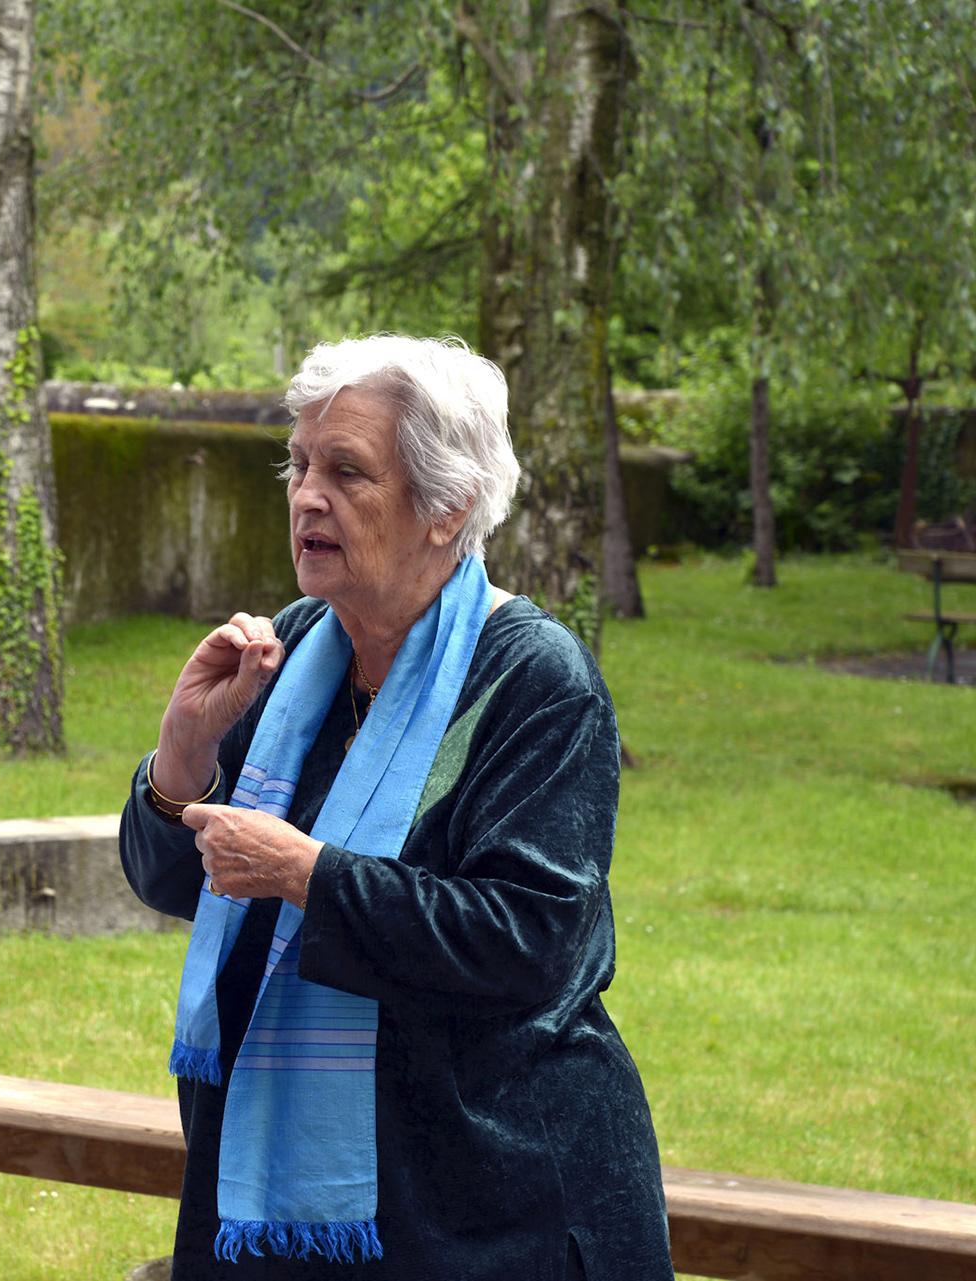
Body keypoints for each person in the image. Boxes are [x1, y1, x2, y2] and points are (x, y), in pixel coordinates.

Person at [121, 335, 671, 1280]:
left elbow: (528, 940)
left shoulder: (535, 679)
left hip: (487, 1200)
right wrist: (184, 751)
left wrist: (308, 875)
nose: (306, 496)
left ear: (447, 506)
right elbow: (176, 880)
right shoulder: (294, 650)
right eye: (298, 464)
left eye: (346, 471)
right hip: (282, 1208)